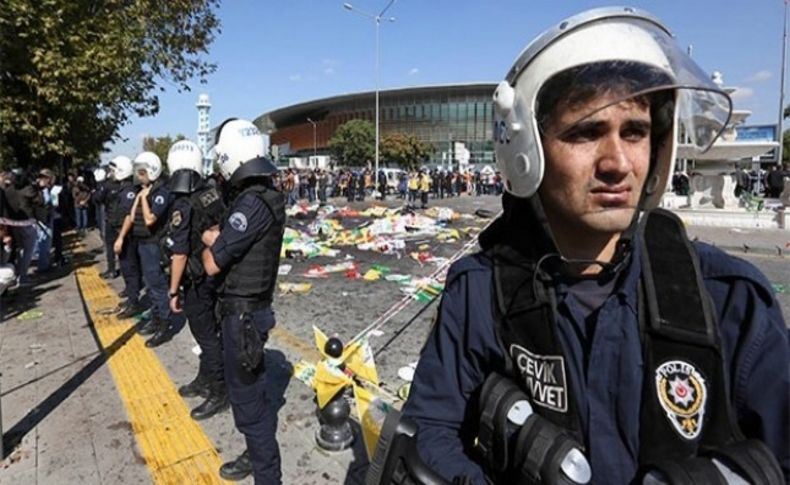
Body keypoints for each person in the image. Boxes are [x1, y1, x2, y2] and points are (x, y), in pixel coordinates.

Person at [399, 7, 787, 485]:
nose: (618, 162)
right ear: (527, 150)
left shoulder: (726, 300)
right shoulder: (480, 293)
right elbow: (429, 434)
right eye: (586, 132)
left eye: (636, 132)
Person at [200, 118, 285, 483]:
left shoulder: (250, 204)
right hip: (250, 315)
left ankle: (268, 474)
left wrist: (208, 238)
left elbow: (212, 262)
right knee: (252, 395)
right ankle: (256, 455)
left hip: (244, 318)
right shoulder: (263, 198)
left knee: (249, 405)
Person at [163, 139, 229, 421]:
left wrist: (172, 291)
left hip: (195, 278)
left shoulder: (183, 202)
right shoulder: (211, 192)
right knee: (211, 332)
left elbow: (179, 253)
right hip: (214, 273)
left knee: (206, 335)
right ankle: (205, 378)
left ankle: (219, 389)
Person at [128, 151, 181, 346]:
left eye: (142, 172)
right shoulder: (147, 191)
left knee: (158, 286)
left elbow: (150, 220)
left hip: (154, 244)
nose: (139, 176)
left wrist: (143, 198)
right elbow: (134, 217)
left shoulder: (162, 192)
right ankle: (156, 318)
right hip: (143, 244)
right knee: (150, 285)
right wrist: (140, 197)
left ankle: (165, 324)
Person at [110, 156, 144, 309]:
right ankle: (131, 294)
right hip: (123, 233)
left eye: (114, 169)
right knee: (127, 267)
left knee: (130, 268)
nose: (112, 173)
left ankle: (133, 301)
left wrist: (121, 238)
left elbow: (129, 216)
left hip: (128, 236)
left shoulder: (129, 191)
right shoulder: (125, 187)